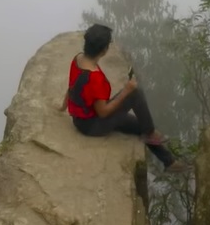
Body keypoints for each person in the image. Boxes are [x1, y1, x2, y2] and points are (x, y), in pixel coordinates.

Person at [58, 23, 190, 174]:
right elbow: (103, 112)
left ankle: (169, 162)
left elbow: (72, 87)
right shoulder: (94, 77)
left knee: (142, 126)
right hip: (92, 125)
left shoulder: (77, 59)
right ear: (104, 50)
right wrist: (126, 91)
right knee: (135, 94)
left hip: (81, 118)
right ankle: (152, 134)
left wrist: (62, 107)